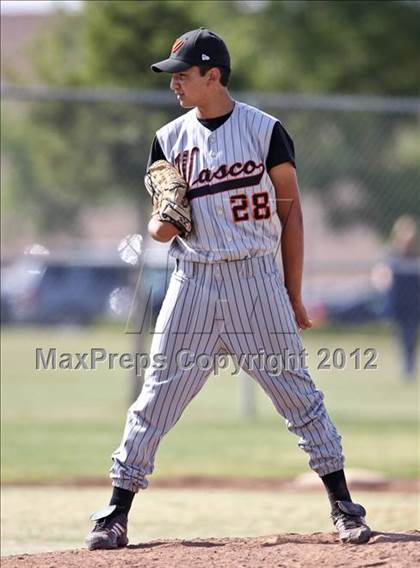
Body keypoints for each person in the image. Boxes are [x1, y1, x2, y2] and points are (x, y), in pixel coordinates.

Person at [86, 28, 371, 549]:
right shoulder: (169, 139)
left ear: (213, 75)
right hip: (192, 280)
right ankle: (115, 513)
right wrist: (163, 219)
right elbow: (161, 230)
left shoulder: (265, 132)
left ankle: (344, 506)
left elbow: (292, 214)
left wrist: (294, 292)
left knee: (299, 397)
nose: (174, 86)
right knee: (156, 400)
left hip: (256, 277)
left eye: (183, 76)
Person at [387, 216, 420, 379]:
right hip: (399, 303)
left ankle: (409, 365)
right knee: (401, 334)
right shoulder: (392, 255)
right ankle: (405, 364)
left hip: (414, 303)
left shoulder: (416, 256)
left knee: (411, 334)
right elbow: (382, 275)